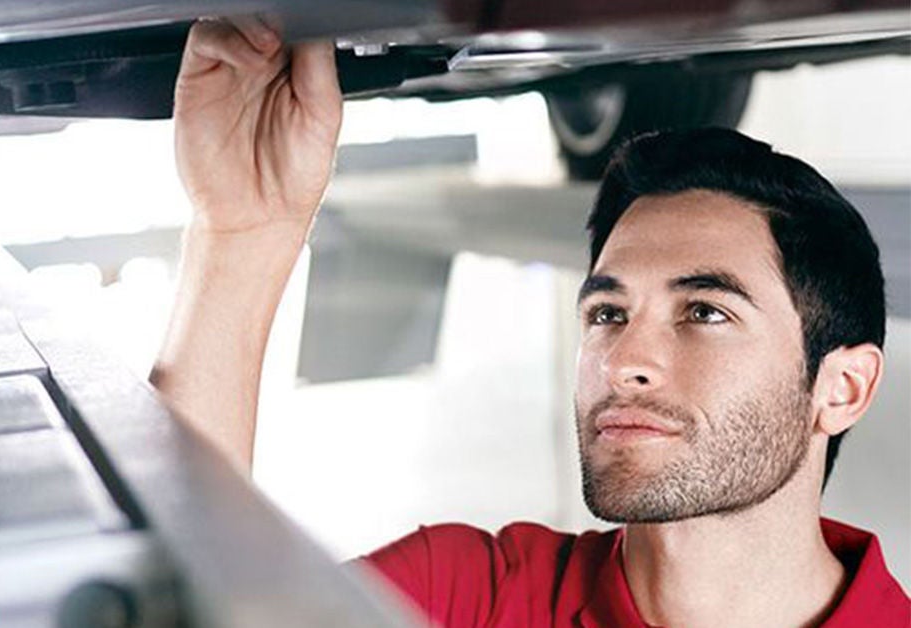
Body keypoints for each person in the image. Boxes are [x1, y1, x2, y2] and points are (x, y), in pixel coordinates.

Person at [150, 17, 910, 627]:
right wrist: (240, 234)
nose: (622, 362)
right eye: (608, 312)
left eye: (704, 312)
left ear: (841, 387)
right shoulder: (465, 598)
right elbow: (180, 610)